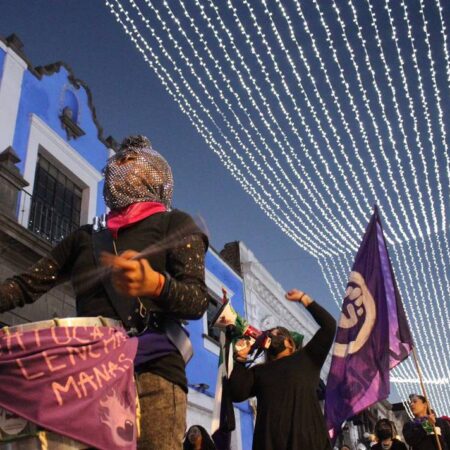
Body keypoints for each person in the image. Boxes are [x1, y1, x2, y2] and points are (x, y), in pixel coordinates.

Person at [0, 135, 209, 450]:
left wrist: (156, 285)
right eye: (119, 158)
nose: (121, 162)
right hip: (89, 376)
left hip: (154, 375)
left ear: (158, 174)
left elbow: (197, 301)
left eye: (134, 158)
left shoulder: (175, 224)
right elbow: (28, 284)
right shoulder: (84, 237)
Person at [229, 289, 337, 450]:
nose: (273, 334)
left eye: (278, 333)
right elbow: (236, 393)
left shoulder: (307, 358)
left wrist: (304, 299)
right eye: (270, 333)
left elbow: (329, 326)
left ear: (290, 343)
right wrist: (240, 359)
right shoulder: (259, 372)